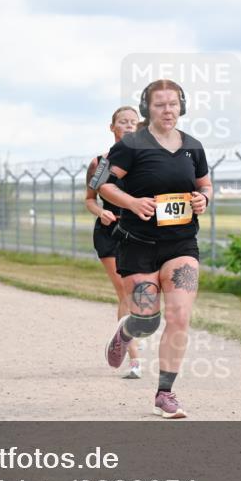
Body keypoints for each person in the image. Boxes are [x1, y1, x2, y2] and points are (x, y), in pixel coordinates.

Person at [97, 80, 212, 419]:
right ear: (147, 108)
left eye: (173, 104)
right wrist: (131, 202)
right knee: (146, 321)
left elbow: (205, 183)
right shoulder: (130, 146)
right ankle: (126, 332)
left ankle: (165, 393)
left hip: (181, 244)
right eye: (160, 104)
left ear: (182, 107)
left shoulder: (193, 147)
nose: (167, 110)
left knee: (179, 316)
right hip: (138, 245)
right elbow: (102, 185)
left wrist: (203, 198)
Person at [86, 106, 145, 379]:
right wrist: (101, 211)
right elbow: (89, 199)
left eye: (134, 122)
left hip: (139, 231)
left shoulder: (145, 161)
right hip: (109, 230)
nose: (129, 126)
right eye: (123, 122)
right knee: (124, 291)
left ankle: (131, 330)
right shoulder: (101, 163)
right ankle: (134, 359)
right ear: (112, 127)